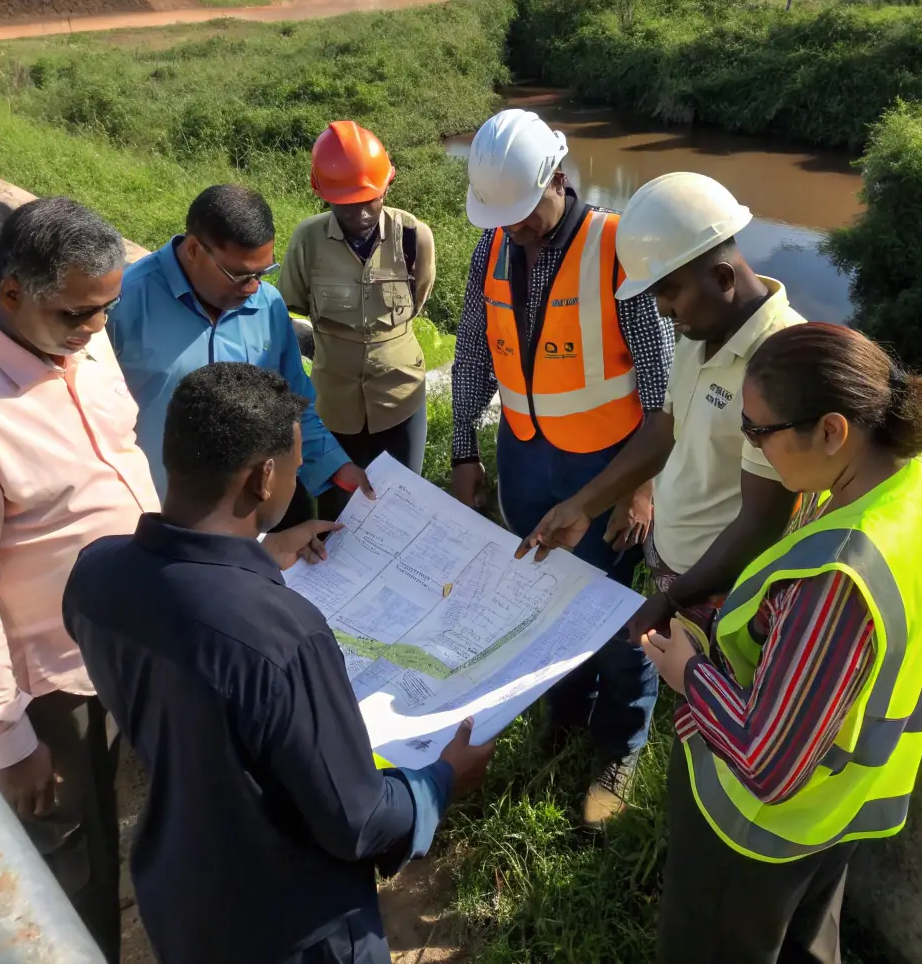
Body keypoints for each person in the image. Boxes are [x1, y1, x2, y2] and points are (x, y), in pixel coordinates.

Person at [0, 197, 346, 961]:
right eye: (80, 313)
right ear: (12, 294)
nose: (98, 329)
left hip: (145, 630)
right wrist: (8, 740)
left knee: (176, 814)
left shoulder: (84, 342)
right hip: (58, 682)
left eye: (104, 310)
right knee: (72, 863)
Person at [63, 362, 495, 964]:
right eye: (295, 462)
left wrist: (262, 551)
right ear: (265, 477)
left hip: (180, 900)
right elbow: (359, 819)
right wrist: (442, 779)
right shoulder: (284, 637)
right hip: (294, 927)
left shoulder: (95, 576)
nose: (297, 474)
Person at [644, 323, 922, 964]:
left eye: (758, 430)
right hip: (848, 802)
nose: (750, 445)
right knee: (805, 942)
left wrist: (689, 672)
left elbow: (767, 764)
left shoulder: (840, 574)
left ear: (831, 430)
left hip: (756, 833)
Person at [450, 108, 675, 825]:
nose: (515, 228)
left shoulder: (617, 248)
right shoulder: (489, 251)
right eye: (502, 216)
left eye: (524, 212)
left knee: (614, 619)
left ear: (559, 175)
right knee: (545, 603)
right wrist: (462, 449)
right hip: (524, 462)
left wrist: (640, 485)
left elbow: (662, 385)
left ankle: (622, 743)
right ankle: (565, 714)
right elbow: (471, 360)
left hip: (611, 467)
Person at [522, 171, 805, 651]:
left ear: (721, 277)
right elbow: (664, 431)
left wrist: (675, 600)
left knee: (717, 717)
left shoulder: (782, 365)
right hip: (679, 576)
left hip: (726, 596)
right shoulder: (700, 334)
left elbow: (761, 522)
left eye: (668, 292)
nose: (661, 310)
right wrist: (581, 507)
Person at [108, 183, 373, 524]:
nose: (252, 288)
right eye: (240, 274)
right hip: (145, 519)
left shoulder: (267, 306)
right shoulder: (121, 304)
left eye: (263, 273)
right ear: (193, 250)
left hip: (239, 525)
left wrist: (336, 465)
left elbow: (292, 404)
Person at [279, 121, 435, 515]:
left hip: (400, 399)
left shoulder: (414, 237)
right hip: (334, 408)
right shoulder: (308, 241)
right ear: (323, 194)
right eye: (347, 202)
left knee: (402, 508)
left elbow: (416, 302)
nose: (361, 212)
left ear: (386, 186)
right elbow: (288, 310)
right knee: (338, 514)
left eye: (370, 199)